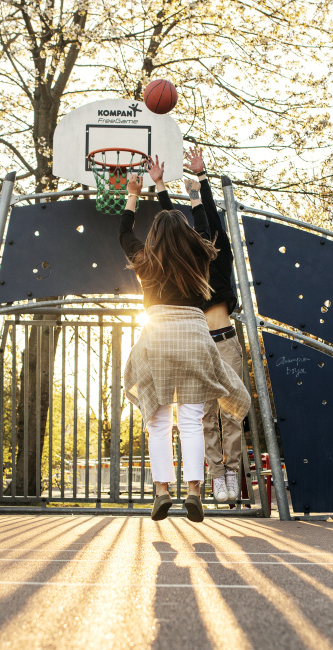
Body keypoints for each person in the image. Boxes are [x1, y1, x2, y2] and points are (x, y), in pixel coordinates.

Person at [119, 157, 250, 522]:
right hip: (194, 336)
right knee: (192, 420)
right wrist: (193, 198)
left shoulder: (145, 259)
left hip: (158, 337)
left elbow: (124, 233)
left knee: (158, 421)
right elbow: (206, 229)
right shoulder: (199, 255)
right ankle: (194, 490)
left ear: (154, 239)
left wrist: (134, 195)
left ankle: (162, 490)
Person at [183, 147, 247, 505]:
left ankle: (233, 471)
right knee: (207, 416)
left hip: (224, 343)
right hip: (199, 347)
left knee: (232, 411)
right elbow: (172, 224)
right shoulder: (189, 275)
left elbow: (212, 223)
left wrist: (201, 179)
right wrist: (161, 187)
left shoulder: (220, 265)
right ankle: (216, 476)